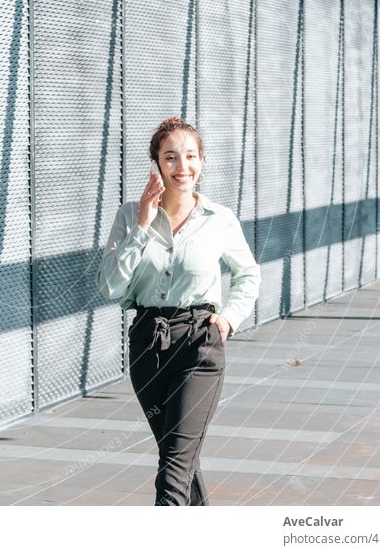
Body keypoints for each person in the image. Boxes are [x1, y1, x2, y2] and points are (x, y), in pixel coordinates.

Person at [95, 117, 261, 506]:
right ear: (157, 163)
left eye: (189, 157)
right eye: (170, 157)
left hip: (200, 344)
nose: (181, 167)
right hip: (148, 345)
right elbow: (110, 287)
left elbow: (248, 274)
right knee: (182, 459)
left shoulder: (219, 219)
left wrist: (228, 319)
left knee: (173, 464)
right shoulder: (130, 215)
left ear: (201, 161)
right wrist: (142, 226)